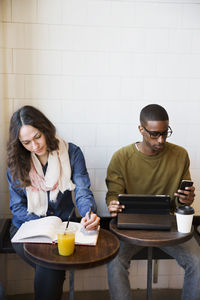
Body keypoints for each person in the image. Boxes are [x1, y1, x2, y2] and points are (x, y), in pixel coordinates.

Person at [106, 104, 200, 300]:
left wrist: (186, 199)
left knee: (198, 261)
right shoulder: (122, 157)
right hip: (131, 225)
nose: (161, 140)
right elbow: (113, 194)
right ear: (141, 129)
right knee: (115, 260)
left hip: (169, 222)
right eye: (155, 134)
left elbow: (182, 202)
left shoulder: (180, 155)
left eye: (165, 133)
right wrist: (113, 204)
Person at [7, 105, 100, 300]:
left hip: (64, 227)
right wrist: (43, 225)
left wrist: (88, 213)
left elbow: (82, 191)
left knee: (50, 263)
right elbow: (17, 207)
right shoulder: (16, 162)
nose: (35, 146)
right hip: (25, 228)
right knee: (52, 264)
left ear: (45, 129)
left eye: (37, 137)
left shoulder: (72, 152)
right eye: (26, 142)